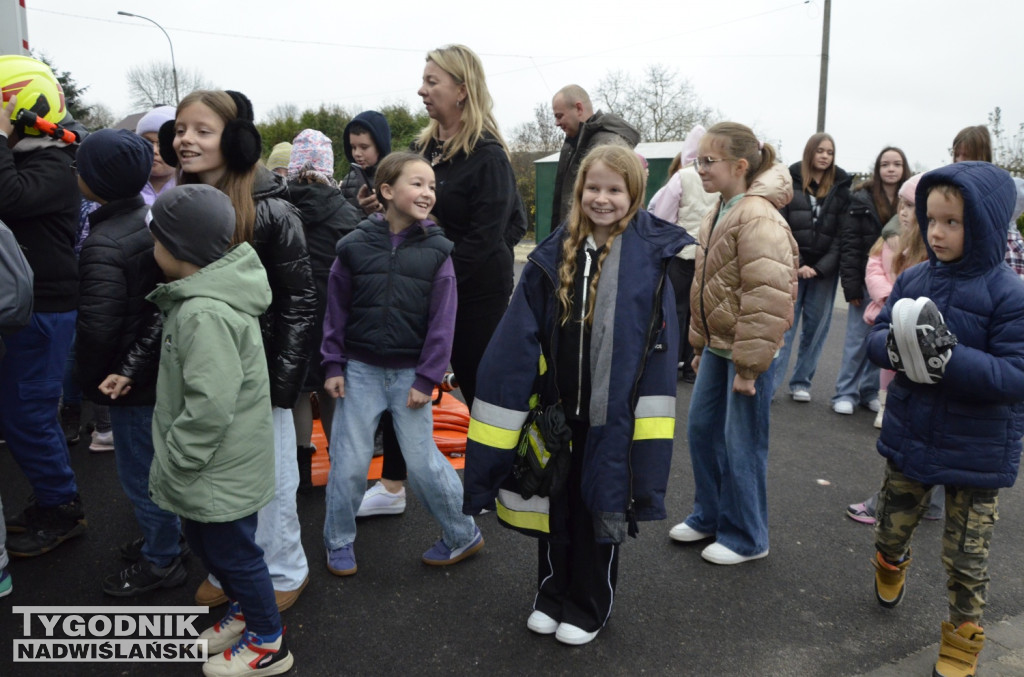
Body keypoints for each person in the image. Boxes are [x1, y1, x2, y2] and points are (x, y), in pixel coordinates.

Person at [463, 144, 687, 645]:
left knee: (597, 513)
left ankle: (589, 604)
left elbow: (659, 350)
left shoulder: (651, 259)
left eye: (614, 189)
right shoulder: (552, 253)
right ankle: (550, 592)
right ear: (578, 190)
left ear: (634, 193)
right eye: (592, 188)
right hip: (558, 416)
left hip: (612, 421)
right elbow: (520, 338)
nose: (601, 198)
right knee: (553, 509)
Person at [864, 162, 1024, 677]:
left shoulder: (1010, 294)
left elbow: (1015, 375)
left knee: (967, 561)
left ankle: (961, 644)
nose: (936, 232)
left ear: (984, 224)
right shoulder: (913, 276)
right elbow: (878, 337)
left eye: (952, 222)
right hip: (913, 433)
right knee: (891, 529)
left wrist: (946, 357)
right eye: (931, 220)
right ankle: (891, 562)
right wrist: (894, 347)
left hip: (978, 450)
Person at [161, 89, 316, 612]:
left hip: (260, 375)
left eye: (202, 131)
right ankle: (235, 568)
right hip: (205, 371)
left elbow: (299, 300)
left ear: (236, 140)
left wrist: (281, 385)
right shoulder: (185, 204)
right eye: (181, 129)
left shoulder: (273, 209)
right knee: (217, 481)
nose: (186, 140)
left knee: (270, 479)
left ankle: (285, 566)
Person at [145, 184, 294, 676]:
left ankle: (268, 643)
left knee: (236, 552)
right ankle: (246, 616)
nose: (152, 249)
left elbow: (210, 402)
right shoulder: (201, 298)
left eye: (157, 239)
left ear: (179, 248)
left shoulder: (203, 311)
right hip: (217, 463)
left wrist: (180, 457)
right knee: (211, 544)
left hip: (211, 464)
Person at [321, 151, 483, 576]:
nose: (428, 192)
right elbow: (335, 310)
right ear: (387, 191)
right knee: (350, 460)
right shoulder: (353, 246)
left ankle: (463, 533)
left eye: (432, 186)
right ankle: (338, 540)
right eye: (418, 183)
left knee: (424, 461)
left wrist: (428, 377)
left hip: (411, 376)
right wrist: (333, 365)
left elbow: (442, 323)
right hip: (359, 371)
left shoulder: (438, 252)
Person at [668, 122, 798, 566]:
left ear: (740, 166)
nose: (699, 167)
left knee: (742, 442)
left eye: (709, 161)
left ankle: (747, 535)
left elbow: (767, 298)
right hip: (721, 346)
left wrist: (749, 369)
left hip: (748, 355)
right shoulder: (720, 210)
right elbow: (712, 286)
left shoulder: (757, 216)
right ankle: (711, 515)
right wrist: (701, 343)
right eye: (698, 160)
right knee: (703, 432)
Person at [74, 128, 191, 596]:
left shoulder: (103, 242)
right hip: (158, 366)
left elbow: (98, 326)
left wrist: (92, 380)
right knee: (159, 462)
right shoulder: (150, 220)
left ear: (95, 181)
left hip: (128, 378)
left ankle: (162, 559)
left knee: (141, 471)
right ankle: (168, 537)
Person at [0, 55, 86, 558]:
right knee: (20, 412)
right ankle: (51, 497)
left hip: (46, 312)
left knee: (28, 415)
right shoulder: (36, 155)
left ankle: (62, 509)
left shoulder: (53, 163)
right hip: (29, 310)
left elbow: (7, 197)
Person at [413, 44, 522, 409]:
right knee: (410, 381)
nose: (421, 90)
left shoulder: (487, 155)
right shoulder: (421, 149)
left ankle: (499, 466)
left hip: (476, 296)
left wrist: (442, 274)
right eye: (423, 81)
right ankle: (401, 468)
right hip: (430, 286)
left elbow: (499, 231)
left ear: (462, 90)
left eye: (432, 81)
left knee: (481, 390)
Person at [846, 173, 942, 524]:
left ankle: (893, 502)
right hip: (898, 335)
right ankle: (925, 501)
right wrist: (886, 298)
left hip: (918, 350)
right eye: (901, 204)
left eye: (911, 206)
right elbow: (874, 266)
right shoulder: (891, 239)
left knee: (916, 430)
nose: (903, 212)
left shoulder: (932, 255)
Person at [338, 110, 410, 516]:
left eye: (365, 146)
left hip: (399, 293)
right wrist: (361, 213)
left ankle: (395, 479)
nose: (359, 154)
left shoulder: (402, 173)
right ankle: (383, 476)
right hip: (366, 291)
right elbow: (346, 234)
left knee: (401, 391)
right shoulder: (351, 180)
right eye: (353, 147)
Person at [284, 128, 361, 494]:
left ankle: (299, 469)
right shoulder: (347, 213)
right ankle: (341, 470)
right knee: (333, 387)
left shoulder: (277, 208)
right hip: (336, 315)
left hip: (289, 313)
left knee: (298, 389)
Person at [771, 133, 851, 402]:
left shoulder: (841, 187)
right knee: (783, 328)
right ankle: (769, 384)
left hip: (823, 273)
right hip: (791, 267)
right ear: (810, 153)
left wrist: (819, 268)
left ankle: (801, 383)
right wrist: (799, 264)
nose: (825, 156)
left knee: (815, 330)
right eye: (820, 151)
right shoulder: (788, 181)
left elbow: (843, 235)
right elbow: (781, 225)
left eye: (830, 151)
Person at [833, 146, 910, 415]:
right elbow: (851, 245)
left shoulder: (911, 201)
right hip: (866, 283)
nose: (891, 169)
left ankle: (869, 392)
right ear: (877, 169)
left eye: (897, 164)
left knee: (882, 343)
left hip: (896, 286)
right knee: (857, 340)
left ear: (904, 168)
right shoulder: (861, 199)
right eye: (885, 164)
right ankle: (845, 392)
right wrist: (851, 285)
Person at [649, 125, 718, 383]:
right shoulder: (718, 178)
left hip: (682, 253)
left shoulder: (682, 176)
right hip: (709, 255)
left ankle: (672, 360)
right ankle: (692, 365)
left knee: (675, 308)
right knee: (698, 311)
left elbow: (663, 216)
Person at [549, 84, 640, 231]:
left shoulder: (607, 144)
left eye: (559, 116)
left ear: (579, 108)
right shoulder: (574, 144)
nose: (557, 123)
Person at [950, 124, 1024, 280]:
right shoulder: (953, 187)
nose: (959, 161)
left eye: (966, 155)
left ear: (982, 155)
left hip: (1002, 250)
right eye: (957, 155)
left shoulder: (1005, 184)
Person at [339, 110, 392, 213]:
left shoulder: (395, 180)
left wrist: (381, 211)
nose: (357, 153)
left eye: (364, 147)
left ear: (380, 147)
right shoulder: (348, 180)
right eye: (353, 147)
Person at [135, 105, 177, 205]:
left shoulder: (194, 189)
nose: (154, 150)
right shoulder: (119, 187)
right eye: (147, 142)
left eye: (162, 143)